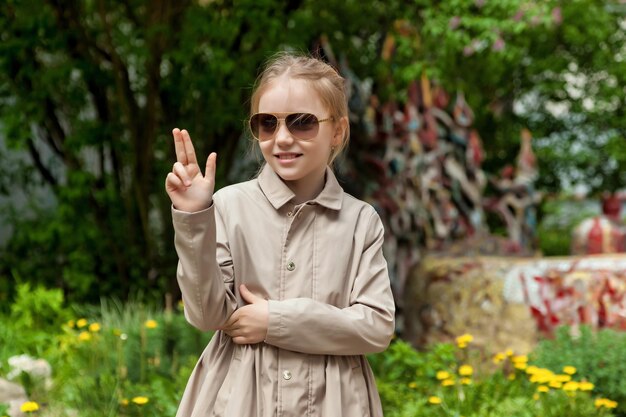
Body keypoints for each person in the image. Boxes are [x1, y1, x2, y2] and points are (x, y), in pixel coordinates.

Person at [165, 52, 395, 417]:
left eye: (302, 122)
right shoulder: (227, 205)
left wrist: (275, 321)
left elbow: (377, 326)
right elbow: (207, 314)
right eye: (267, 123)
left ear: (337, 130)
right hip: (239, 399)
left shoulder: (360, 221)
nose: (282, 137)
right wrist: (193, 216)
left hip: (335, 403)